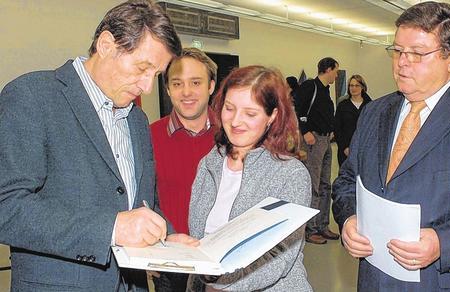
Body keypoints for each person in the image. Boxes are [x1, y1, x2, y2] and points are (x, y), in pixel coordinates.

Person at [0, 1, 197, 291]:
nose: (147, 87)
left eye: (155, 75)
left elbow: (139, 204)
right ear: (106, 44)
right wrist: (112, 228)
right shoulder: (33, 97)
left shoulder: (137, 119)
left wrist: (166, 237)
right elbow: (7, 206)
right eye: (142, 68)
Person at [332, 2, 450, 291]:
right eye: (397, 51)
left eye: (417, 54)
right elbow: (346, 180)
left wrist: (444, 242)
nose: (402, 62)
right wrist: (348, 219)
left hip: (445, 281)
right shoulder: (374, 112)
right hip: (374, 279)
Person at [187, 66, 313, 291]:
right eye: (229, 108)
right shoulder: (209, 163)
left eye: (250, 113)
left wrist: (222, 281)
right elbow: (199, 239)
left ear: (272, 116)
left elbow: (279, 256)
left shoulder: (290, 174)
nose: (235, 121)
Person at [150, 47, 217, 292]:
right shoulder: (148, 137)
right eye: (177, 84)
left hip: (221, 265)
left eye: (196, 82)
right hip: (171, 263)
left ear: (211, 86)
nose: (186, 92)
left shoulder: (231, 136)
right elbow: (139, 199)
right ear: (167, 89)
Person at [295, 57, 340, 244]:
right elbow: (296, 110)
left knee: (325, 185)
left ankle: (322, 225)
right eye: (336, 71)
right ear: (328, 69)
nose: (337, 75)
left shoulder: (325, 91)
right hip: (313, 140)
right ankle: (310, 229)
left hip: (325, 140)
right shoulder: (309, 87)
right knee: (313, 185)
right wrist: (305, 132)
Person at [334, 74, 372, 166]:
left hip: (365, 150)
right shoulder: (343, 105)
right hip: (346, 150)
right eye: (351, 85)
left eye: (357, 85)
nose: (353, 88)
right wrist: (344, 147)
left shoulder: (370, 105)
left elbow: (372, 129)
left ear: (362, 87)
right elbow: (337, 129)